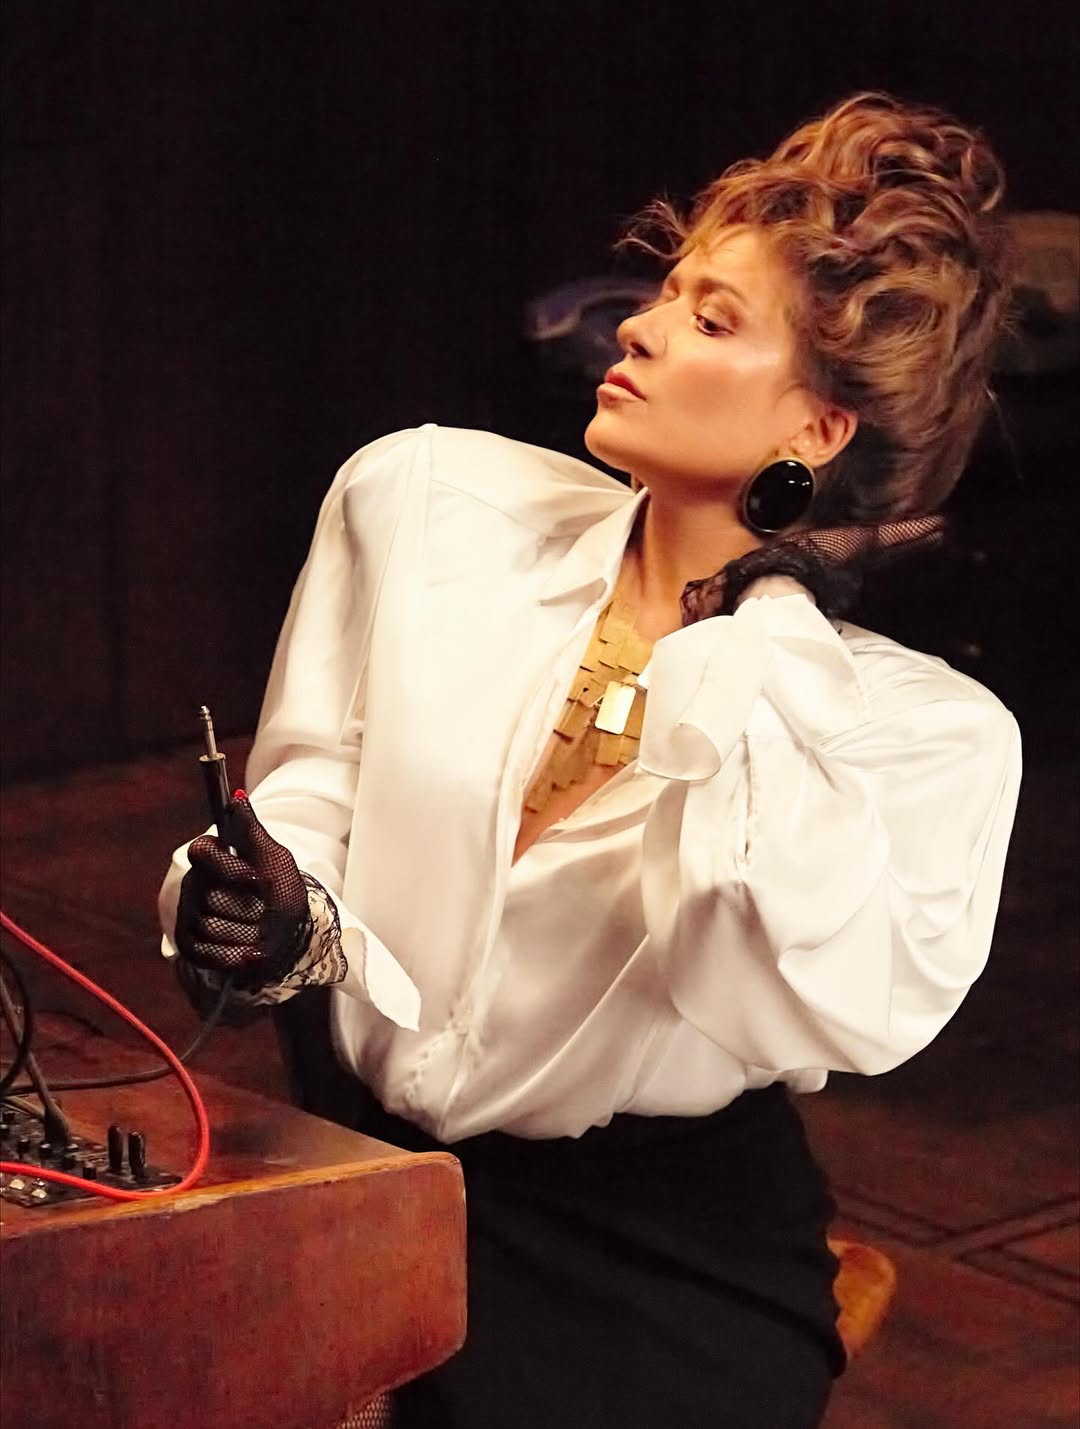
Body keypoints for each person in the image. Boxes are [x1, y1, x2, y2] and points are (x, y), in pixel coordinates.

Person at [158, 93, 1021, 1428]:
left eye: (712, 321)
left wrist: (764, 614)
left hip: (656, 1262)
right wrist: (274, 922)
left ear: (817, 430)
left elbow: (744, 942)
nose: (640, 326)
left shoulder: (915, 734)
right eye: (670, 292)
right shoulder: (428, 505)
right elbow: (309, 797)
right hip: (358, 1177)